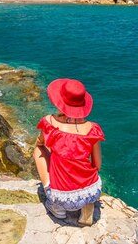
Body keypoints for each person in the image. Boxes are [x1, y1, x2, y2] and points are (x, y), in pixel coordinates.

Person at [33, 79, 105, 226]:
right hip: (90, 191)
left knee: (38, 150)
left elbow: (39, 143)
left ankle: (57, 209)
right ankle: (86, 209)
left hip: (62, 198)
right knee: (82, 169)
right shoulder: (93, 129)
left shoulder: (49, 123)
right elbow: (97, 165)